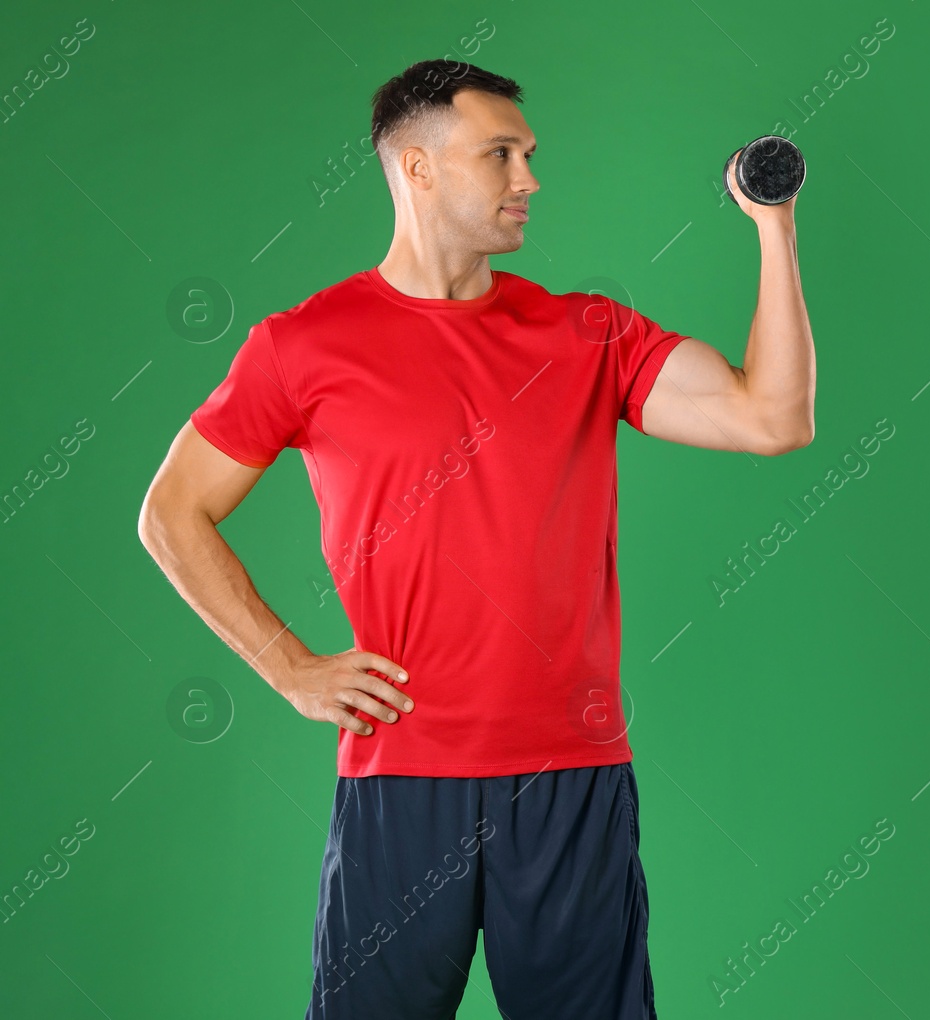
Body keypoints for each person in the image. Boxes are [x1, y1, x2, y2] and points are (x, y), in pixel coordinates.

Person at [136, 59, 814, 1019]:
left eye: (529, 155)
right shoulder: (304, 344)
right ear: (415, 170)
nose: (529, 178)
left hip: (572, 778)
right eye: (500, 155)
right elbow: (171, 512)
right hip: (402, 781)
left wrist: (772, 228)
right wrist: (290, 667)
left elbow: (772, 418)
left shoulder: (586, 333)